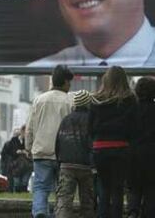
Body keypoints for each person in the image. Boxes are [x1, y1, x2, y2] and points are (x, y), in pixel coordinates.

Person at [25, 64, 73, 218]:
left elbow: (30, 127)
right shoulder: (70, 101)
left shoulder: (39, 100)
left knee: (40, 187)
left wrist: (29, 147)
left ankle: (40, 212)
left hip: (41, 152)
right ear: (65, 82)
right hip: (63, 154)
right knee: (62, 190)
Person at [89, 66, 137, 218]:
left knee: (104, 188)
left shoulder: (95, 100)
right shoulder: (129, 100)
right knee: (118, 190)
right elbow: (133, 127)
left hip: (100, 149)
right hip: (121, 149)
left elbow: (90, 128)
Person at [55, 90, 94, 218]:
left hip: (66, 165)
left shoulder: (66, 120)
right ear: (88, 104)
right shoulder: (92, 120)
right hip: (86, 166)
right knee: (87, 202)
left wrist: (59, 161)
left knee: (64, 202)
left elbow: (58, 143)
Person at [127, 77, 155, 218]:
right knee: (151, 190)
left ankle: (132, 211)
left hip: (133, 154)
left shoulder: (130, 110)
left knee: (134, 188)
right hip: (152, 156)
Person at [1, 125, 32, 193]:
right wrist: (18, 152)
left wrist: (26, 152)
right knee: (17, 183)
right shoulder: (13, 140)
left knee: (24, 182)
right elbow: (10, 152)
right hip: (16, 165)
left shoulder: (28, 141)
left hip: (26, 165)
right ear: (22, 131)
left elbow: (31, 152)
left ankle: (23, 193)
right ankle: (17, 193)